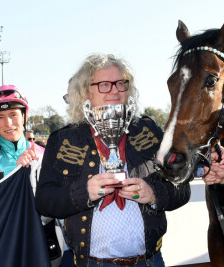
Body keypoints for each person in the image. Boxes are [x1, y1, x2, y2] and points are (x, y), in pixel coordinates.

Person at [36, 54, 191, 267]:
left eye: (121, 83)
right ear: (86, 92)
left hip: (148, 262)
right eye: (104, 85)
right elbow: (44, 201)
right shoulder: (62, 140)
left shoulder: (149, 132)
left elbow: (182, 188)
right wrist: (85, 193)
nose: (115, 90)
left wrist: (154, 195)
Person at [0, 84, 64, 267]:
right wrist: (14, 178)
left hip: (44, 248)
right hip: (1, 249)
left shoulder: (46, 155)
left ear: (24, 117)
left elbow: (59, 204)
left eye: (13, 115)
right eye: (0, 117)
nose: (8, 123)